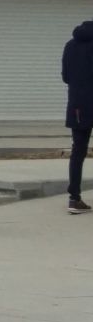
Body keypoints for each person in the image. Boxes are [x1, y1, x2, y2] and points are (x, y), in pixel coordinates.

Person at [63, 18, 93, 214]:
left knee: (78, 152)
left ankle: (74, 199)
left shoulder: (70, 45)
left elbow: (65, 76)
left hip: (78, 106)